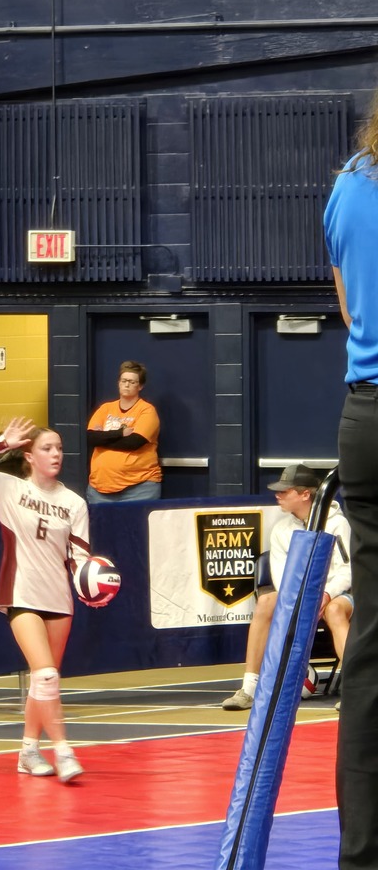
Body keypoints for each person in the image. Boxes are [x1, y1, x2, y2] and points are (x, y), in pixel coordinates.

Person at [0, 416, 92, 783]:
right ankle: (64, 751)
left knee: (44, 680)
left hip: (59, 598)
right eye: (47, 448)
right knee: (46, 675)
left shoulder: (74, 502)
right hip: (21, 592)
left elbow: (79, 556)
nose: (56, 454)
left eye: (60, 448)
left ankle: (28, 751)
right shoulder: (8, 488)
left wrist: (90, 585)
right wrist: (1, 443)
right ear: (29, 456)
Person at [324, 98, 378, 869]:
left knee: (370, 650)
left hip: (365, 415)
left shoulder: (349, 183)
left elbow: (346, 307)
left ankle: (361, 855)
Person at [222, 463, 351, 711]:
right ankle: (249, 688)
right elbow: (282, 577)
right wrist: (303, 599)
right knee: (266, 600)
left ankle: (355, 690)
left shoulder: (338, 524)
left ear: (305, 494)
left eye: (285, 491)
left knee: (334, 610)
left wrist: (325, 594)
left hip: (339, 595)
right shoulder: (281, 530)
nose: (278, 495)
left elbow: (347, 571)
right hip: (302, 597)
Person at [86, 360, 162, 503]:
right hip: (99, 489)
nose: (127, 385)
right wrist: (119, 433)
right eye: (124, 380)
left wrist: (103, 439)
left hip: (139, 488)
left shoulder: (147, 410)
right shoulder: (105, 409)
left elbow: (133, 442)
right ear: (119, 382)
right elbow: (91, 438)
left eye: (132, 382)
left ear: (140, 386)